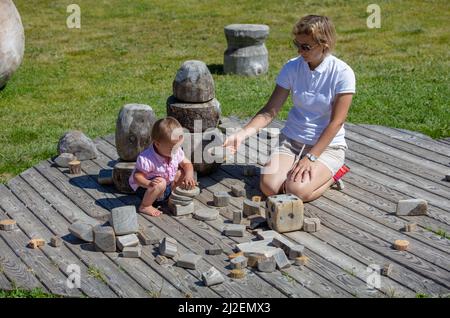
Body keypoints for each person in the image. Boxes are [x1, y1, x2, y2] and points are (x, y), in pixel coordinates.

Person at [224, 15, 355, 202]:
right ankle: (308, 176)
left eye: (306, 47)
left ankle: (335, 175)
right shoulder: (292, 67)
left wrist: (311, 157)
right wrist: (241, 134)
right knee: (269, 188)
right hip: (292, 142)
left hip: (327, 147)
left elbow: (337, 122)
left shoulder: (342, 73)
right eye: (297, 45)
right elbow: (270, 110)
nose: (300, 51)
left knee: (295, 191)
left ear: (324, 44)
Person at [129, 117, 196, 216]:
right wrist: (148, 183)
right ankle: (145, 206)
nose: (176, 150)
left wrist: (189, 175)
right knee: (161, 182)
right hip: (148, 191)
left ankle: (171, 198)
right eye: (172, 148)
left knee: (181, 173)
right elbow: (137, 177)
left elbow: (187, 164)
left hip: (167, 187)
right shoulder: (147, 158)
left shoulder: (175, 151)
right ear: (157, 144)